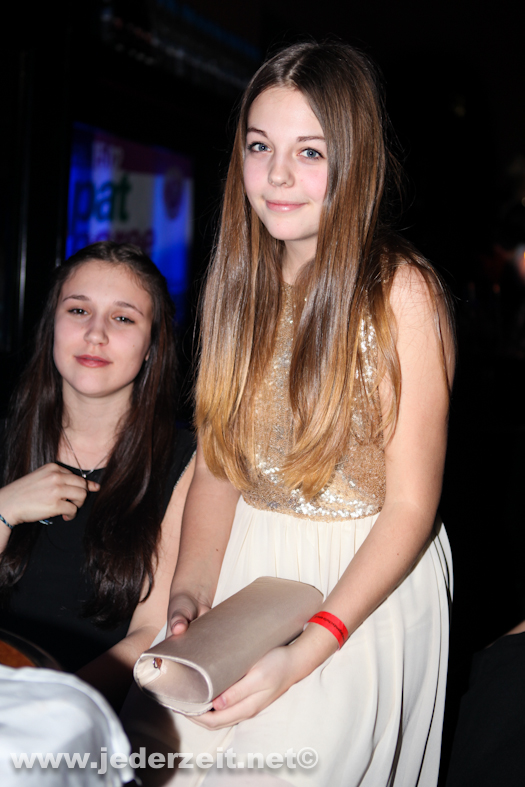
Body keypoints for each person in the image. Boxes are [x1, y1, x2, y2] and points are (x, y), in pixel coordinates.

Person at [124, 42, 455, 785]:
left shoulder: (401, 293)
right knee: (153, 762)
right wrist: (189, 593)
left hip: (360, 586)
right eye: (259, 146)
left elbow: (411, 505)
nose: (276, 175)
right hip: (247, 571)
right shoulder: (238, 287)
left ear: (355, 162)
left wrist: (309, 648)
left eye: (309, 151)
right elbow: (219, 467)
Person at [0, 241, 195, 709]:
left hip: (91, 719)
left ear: (152, 346)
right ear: (52, 326)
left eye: (123, 318)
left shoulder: (189, 459)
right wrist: (4, 509)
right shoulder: (6, 438)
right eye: (78, 310)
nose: (95, 334)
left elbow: (150, 632)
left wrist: (51, 711)